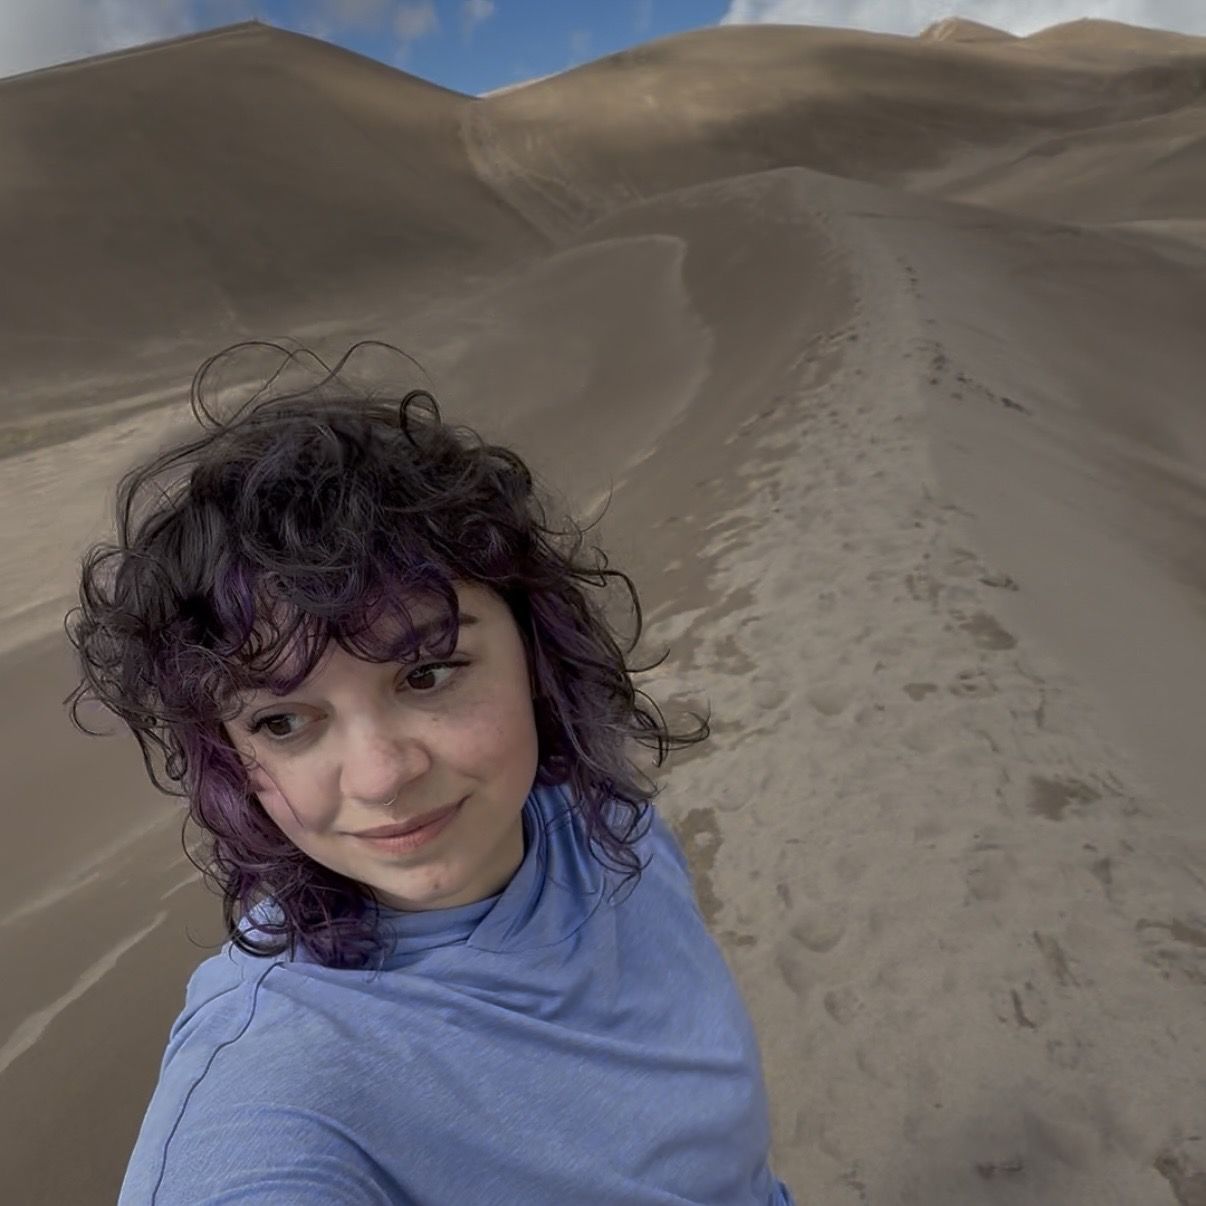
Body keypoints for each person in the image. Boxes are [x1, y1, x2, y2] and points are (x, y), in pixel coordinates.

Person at [64, 341, 796, 1204]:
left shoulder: (606, 822)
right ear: (232, 757)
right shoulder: (278, 1082)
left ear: (534, 652)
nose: (380, 777)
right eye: (283, 721)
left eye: (425, 673)